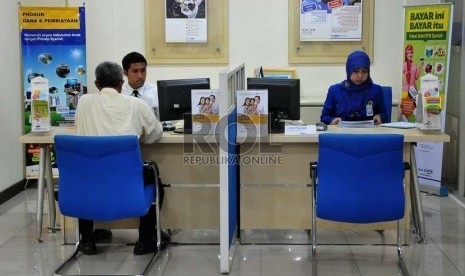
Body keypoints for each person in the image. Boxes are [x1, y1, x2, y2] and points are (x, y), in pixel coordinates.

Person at [75, 61, 165, 256]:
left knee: (86, 178)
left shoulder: (83, 103)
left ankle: (87, 240)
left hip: (90, 179)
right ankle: (145, 239)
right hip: (126, 181)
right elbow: (155, 134)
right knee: (154, 178)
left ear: (97, 84)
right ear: (121, 83)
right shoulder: (136, 105)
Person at [320, 50, 386, 125]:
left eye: (364, 72)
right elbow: (324, 117)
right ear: (349, 70)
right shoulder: (335, 90)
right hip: (342, 134)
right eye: (356, 71)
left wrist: (379, 116)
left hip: (369, 134)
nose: (360, 76)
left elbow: (383, 114)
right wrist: (332, 120)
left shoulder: (376, 90)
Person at [121, 52, 159, 118]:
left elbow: (164, 124)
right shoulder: (119, 92)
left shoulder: (156, 92)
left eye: (143, 70)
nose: (140, 76)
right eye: (135, 71)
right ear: (125, 73)